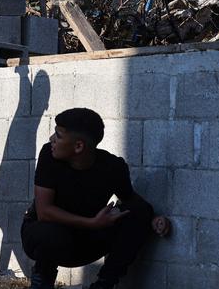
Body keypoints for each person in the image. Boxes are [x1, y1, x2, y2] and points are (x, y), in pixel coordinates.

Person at [21, 108, 170, 289]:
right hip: (45, 239)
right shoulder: (49, 156)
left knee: (139, 212)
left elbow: (131, 201)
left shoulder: (112, 167)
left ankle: (104, 284)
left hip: (85, 242)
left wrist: (152, 218)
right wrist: (92, 223)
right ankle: (42, 281)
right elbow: (44, 212)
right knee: (48, 232)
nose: (52, 139)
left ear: (78, 146)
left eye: (58, 136)